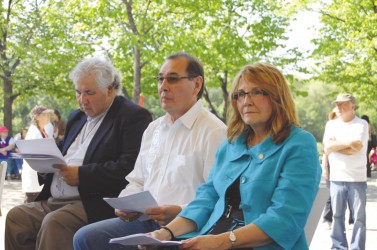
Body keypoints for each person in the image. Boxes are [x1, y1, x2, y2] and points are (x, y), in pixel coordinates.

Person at [140, 62, 322, 250]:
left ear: (278, 97)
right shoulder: (232, 143)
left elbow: (285, 219)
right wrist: (165, 233)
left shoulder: (299, 144)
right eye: (241, 94)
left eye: (257, 92)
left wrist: (222, 242)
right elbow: (206, 198)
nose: (247, 101)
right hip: (211, 237)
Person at [73, 52, 227, 250]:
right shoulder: (153, 129)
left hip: (188, 227)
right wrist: (125, 204)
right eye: (160, 79)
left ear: (196, 85)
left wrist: (179, 211)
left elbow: (219, 197)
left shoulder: (214, 132)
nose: (163, 87)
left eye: (172, 79)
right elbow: (137, 180)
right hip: (144, 221)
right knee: (86, 238)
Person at [4, 56, 152, 250]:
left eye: (89, 92)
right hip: (56, 198)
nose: (82, 100)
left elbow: (129, 167)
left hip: (94, 201)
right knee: (16, 218)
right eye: (78, 92)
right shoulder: (77, 117)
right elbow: (61, 152)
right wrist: (41, 162)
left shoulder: (131, 116)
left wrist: (81, 175)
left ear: (110, 89)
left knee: (55, 223)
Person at [323, 93, 368, 250]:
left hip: (357, 179)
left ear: (352, 106)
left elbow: (356, 148)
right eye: (337, 104)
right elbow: (327, 148)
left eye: (342, 104)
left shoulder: (362, 124)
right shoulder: (331, 125)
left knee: (359, 219)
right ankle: (338, 247)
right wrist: (346, 144)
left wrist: (336, 145)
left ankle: (357, 247)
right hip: (336, 177)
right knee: (337, 216)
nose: (338, 107)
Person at [21, 106, 54, 203]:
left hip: (39, 175)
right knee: (31, 205)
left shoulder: (41, 131)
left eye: (48, 114)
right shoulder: (34, 132)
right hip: (34, 176)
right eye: (44, 114)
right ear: (36, 116)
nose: (47, 117)